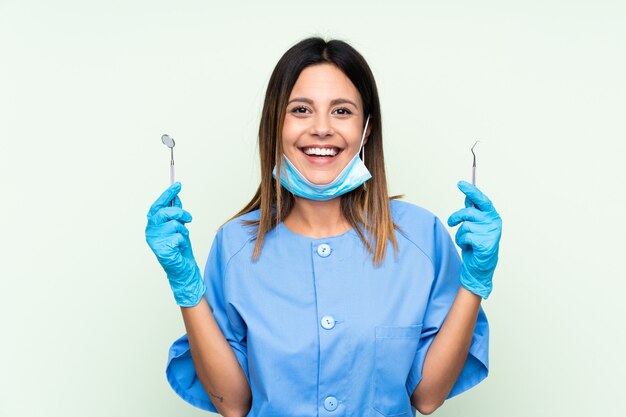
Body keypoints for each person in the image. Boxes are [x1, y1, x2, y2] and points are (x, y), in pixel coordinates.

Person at [145, 37, 502, 417]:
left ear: (366, 130)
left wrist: (473, 283)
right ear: (276, 125)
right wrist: (186, 289)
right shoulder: (235, 245)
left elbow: (427, 396)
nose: (321, 129)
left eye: (342, 111)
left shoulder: (422, 238)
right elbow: (233, 403)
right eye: (301, 109)